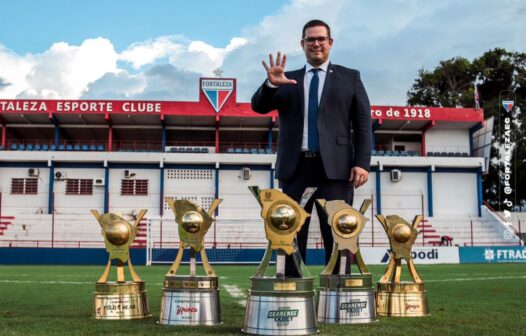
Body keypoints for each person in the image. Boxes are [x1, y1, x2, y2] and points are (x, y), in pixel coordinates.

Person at [251, 19, 371, 276]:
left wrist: (361, 162)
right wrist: (271, 84)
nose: (316, 44)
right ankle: (292, 292)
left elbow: (362, 125)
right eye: (310, 40)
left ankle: (337, 294)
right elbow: (258, 107)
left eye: (321, 39)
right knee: (291, 233)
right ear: (302, 44)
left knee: (339, 233)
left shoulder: (350, 77)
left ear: (330, 42)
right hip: (295, 169)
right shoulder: (286, 79)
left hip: (336, 170)